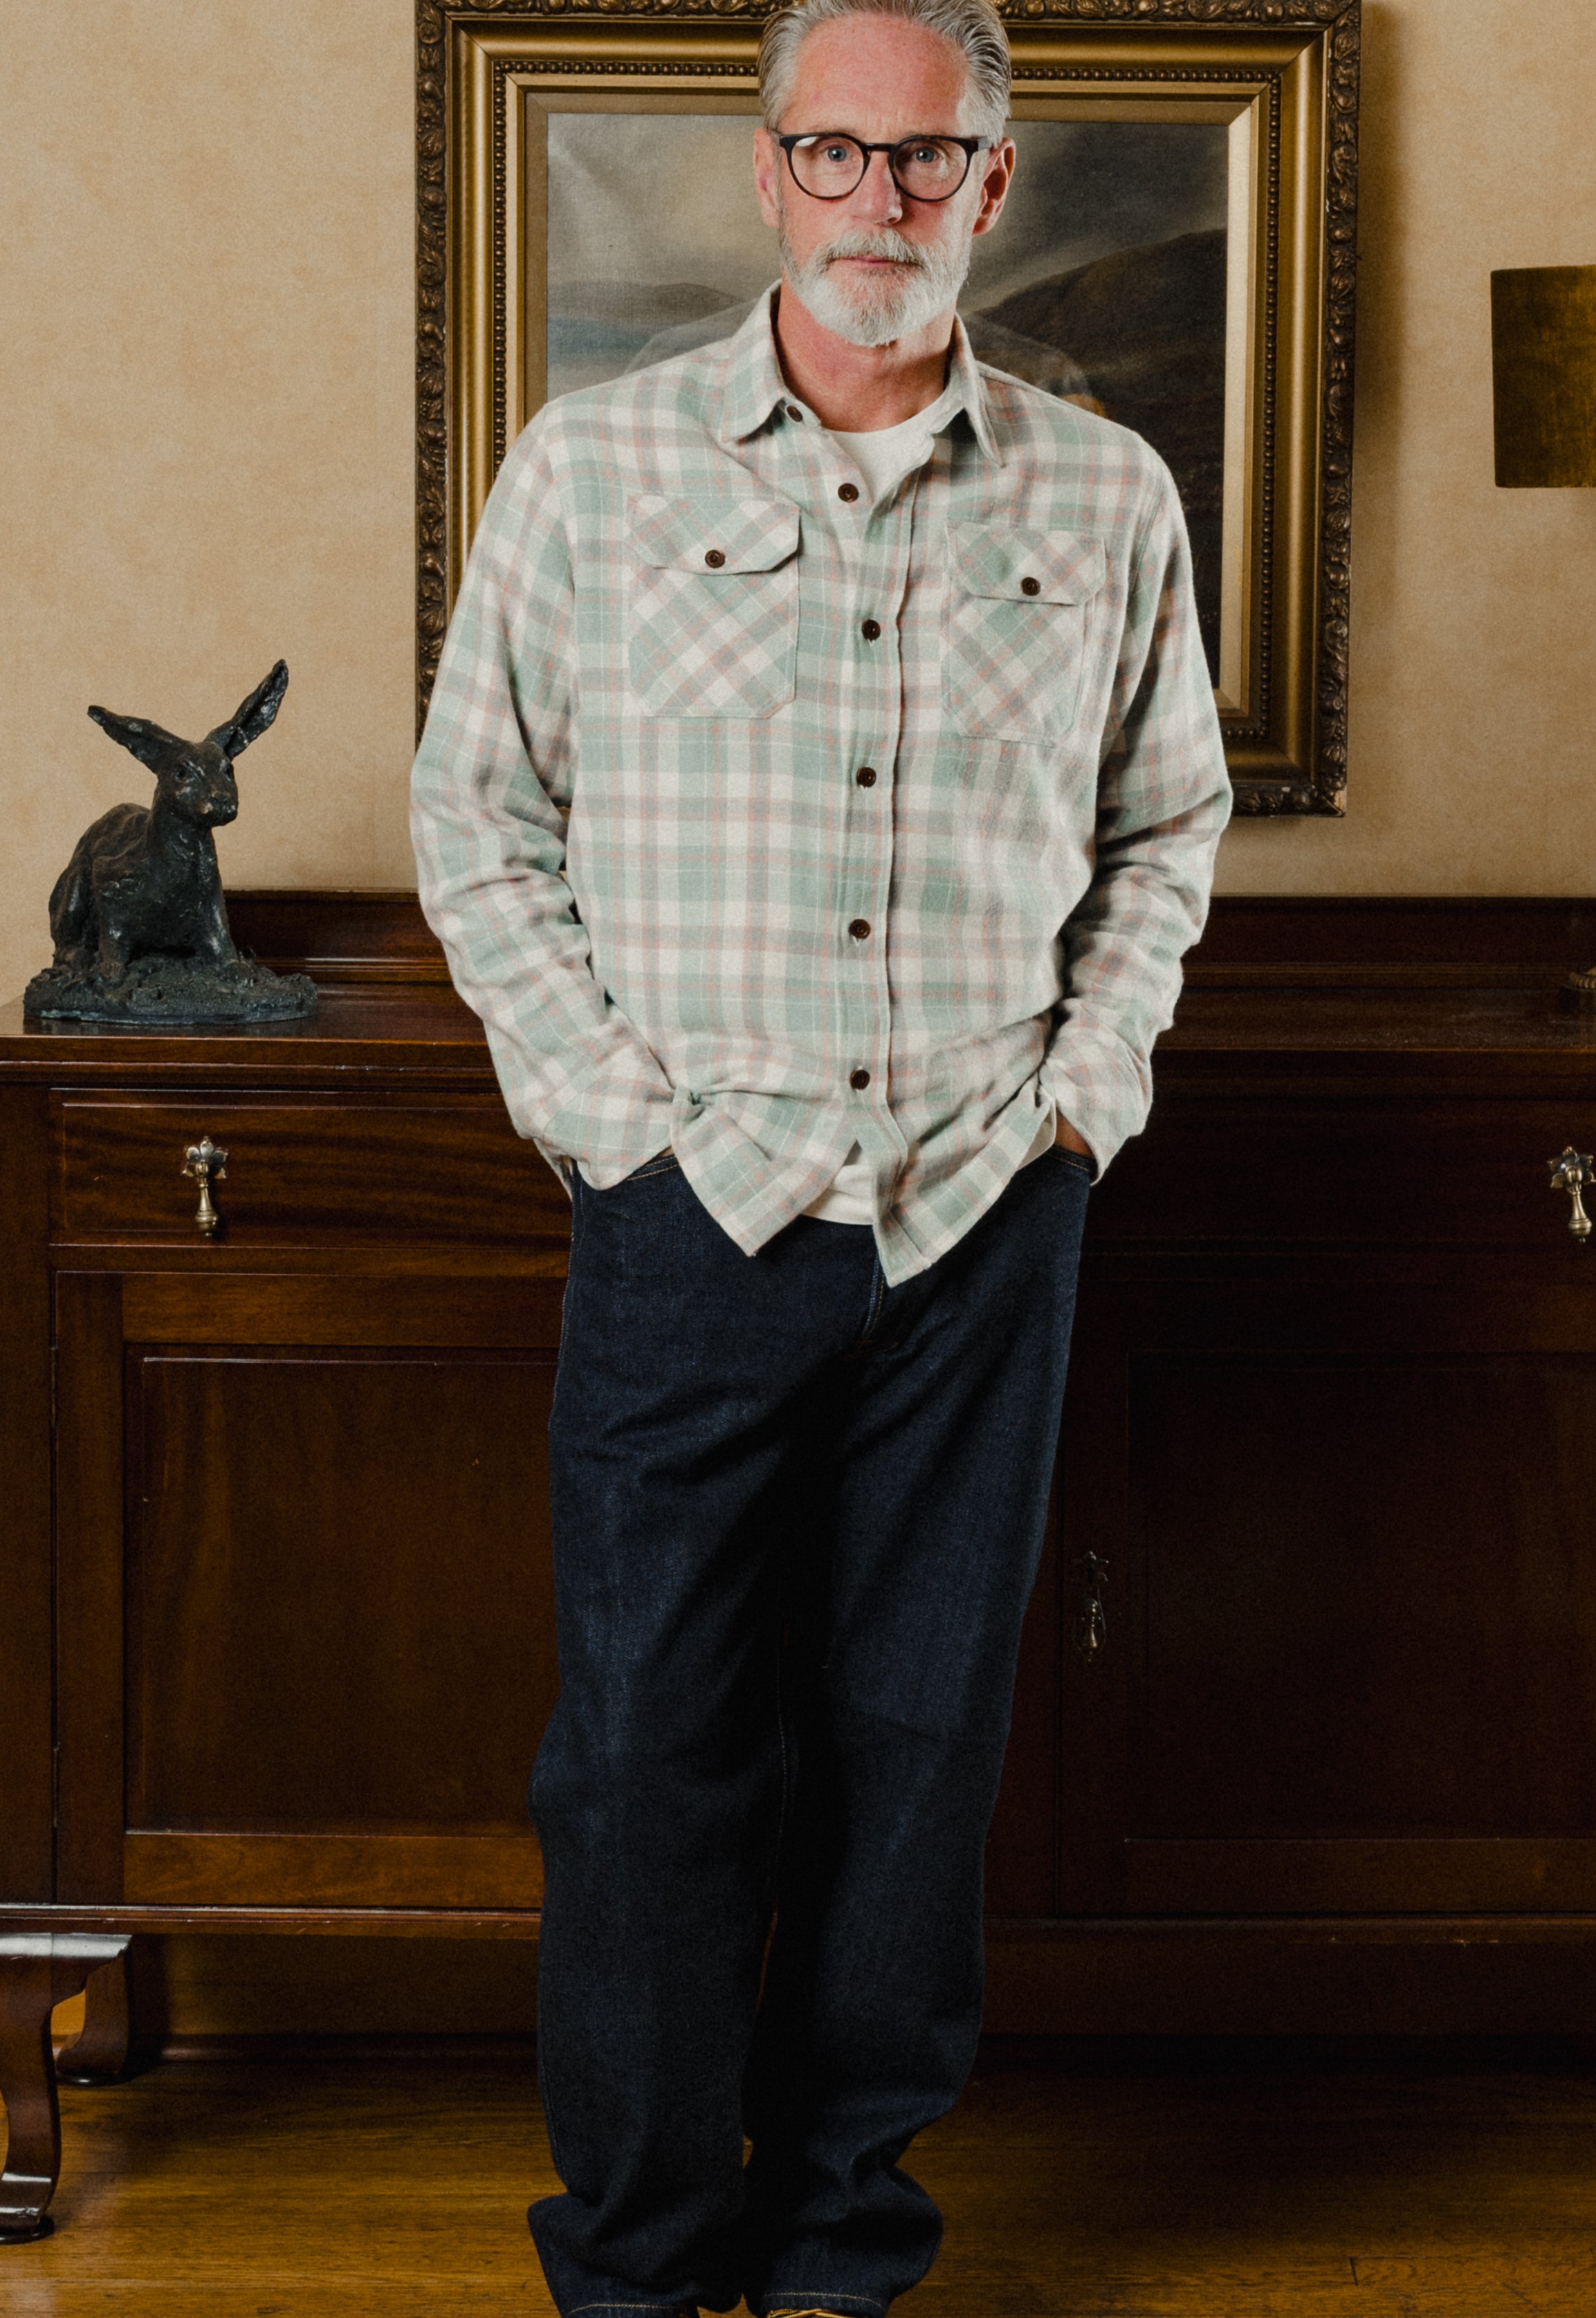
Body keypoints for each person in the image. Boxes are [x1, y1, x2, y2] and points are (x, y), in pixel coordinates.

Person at [410, 0, 1231, 2308]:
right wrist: (615, 1129)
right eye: (838, 155)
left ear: (998, 178)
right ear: (769, 174)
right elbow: (479, 820)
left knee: (913, 1756)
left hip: (986, 1213)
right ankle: (650, 2264)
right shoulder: (594, 471)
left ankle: (845, 2244)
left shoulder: (1107, 494)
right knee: (650, 1763)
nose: (884, 201)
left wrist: (1090, 1091)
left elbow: (1168, 828)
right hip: (693, 1217)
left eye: (930, 158)